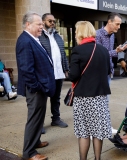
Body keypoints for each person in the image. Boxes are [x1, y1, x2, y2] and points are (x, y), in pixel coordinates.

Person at [68, 21, 111, 160]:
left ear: (80, 33)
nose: (75, 34)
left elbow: (73, 75)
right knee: (98, 131)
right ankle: (98, 158)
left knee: (84, 132)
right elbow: (108, 71)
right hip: (100, 97)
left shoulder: (77, 50)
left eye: (76, 32)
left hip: (84, 98)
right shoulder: (103, 50)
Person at [16, 12, 56, 160]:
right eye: (38, 24)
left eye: (41, 24)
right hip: (36, 89)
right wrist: (38, 87)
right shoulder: (25, 41)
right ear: (28, 24)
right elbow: (27, 70)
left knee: (39, 117)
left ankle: (35, 141)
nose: (41, 27)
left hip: (40, 88)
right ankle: (29, 152)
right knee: (34, 119)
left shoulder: (33, 38)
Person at [96, 12, 127, 133]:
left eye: (120, 24)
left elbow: (108, 54)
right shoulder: (97, 34)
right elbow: (99, 55)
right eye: (117, 24)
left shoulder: (112, 35)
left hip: (108, 72)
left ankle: (104, 126)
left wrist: (117, 51)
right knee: (100, 101)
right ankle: (101, 127)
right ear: (109, 22)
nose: (119, 27)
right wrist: (115, 51)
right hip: (99, 73)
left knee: (105, 100)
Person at [39, 13, 69, 130]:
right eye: (49, 21)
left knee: (56, 98)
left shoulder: (57, 36)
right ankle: (39, 124)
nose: (52, 23)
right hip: (46, 74)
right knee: (42, 99)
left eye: (54, 21)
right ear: (43, 22)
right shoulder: (39, 36)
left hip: (59, 73)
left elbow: (63, 54)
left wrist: (66, 69)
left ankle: (56, 119)